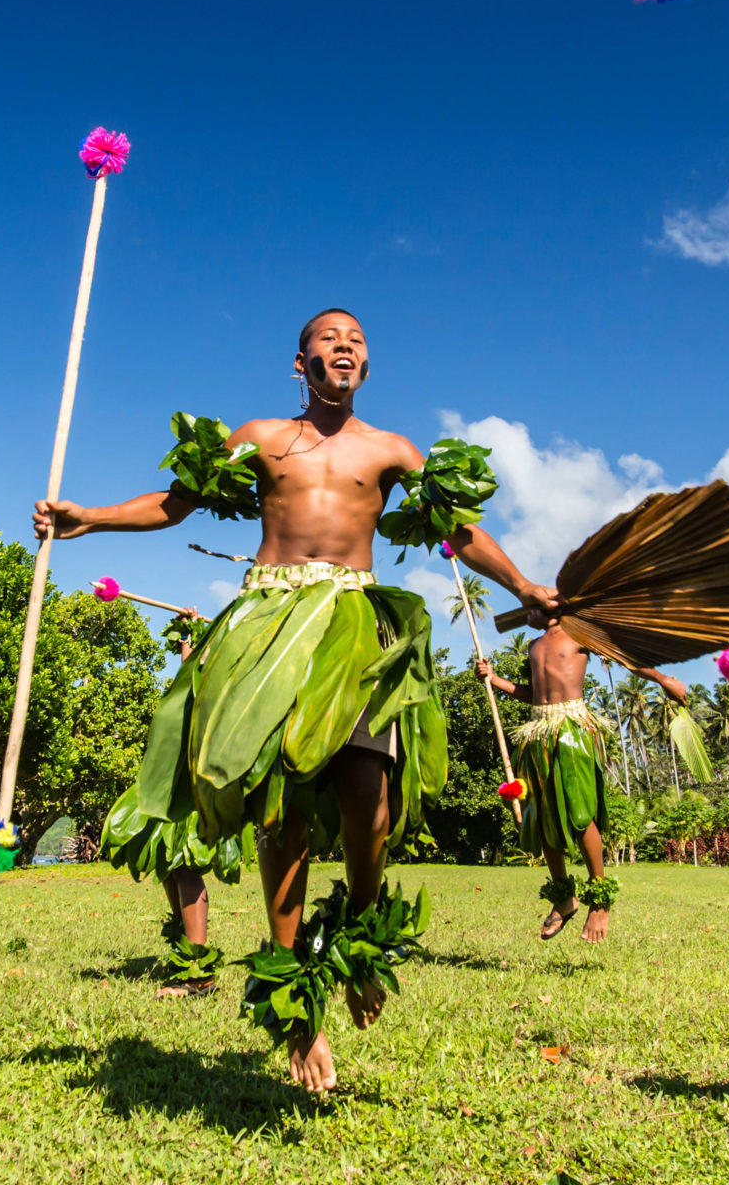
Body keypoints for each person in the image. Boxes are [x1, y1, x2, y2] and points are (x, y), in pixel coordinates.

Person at [37, 308, 557, 1091]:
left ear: (366, 367)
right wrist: (90, 518)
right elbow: (174, 503)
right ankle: (296, 1004)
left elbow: (460, 530)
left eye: (356, 341)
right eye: (329, 338)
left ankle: (356, 942)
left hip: (353, 624)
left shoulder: (390, 449)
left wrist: (522, 584)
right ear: (300, 361)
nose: (344, 347)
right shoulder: (259, 437)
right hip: (269, 623)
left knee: (368, 805)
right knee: (279, 811)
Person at [478, 620, 687, 942]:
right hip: (538, 733)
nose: (526, 609)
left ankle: (599, 899)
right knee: (544, 817)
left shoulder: (581, 635)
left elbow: (626, 659)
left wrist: (662, 680)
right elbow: (533, 695)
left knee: (580, 814)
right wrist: (494, 680)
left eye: (534, 601)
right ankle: (563, 897)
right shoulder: (534, 645)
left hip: (573, 729)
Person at [101, 612, 250, 997]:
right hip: (176, 778)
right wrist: (189, 633)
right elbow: (190, 673)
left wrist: (198, 640)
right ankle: (185, 950)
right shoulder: (202, 671)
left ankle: (197, 971)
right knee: (168, 865)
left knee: (184, 865)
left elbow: (202, 682)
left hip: (199, 780)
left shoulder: (232, 677)